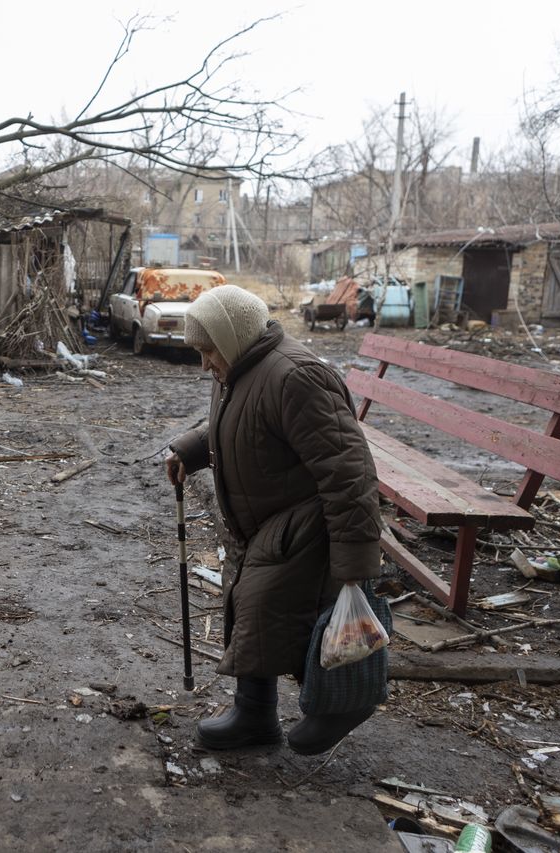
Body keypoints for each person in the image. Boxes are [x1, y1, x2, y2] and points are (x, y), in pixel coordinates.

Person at [165, 285, 383, 755]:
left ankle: (340, 703)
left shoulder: (296, 377)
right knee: (252, 607)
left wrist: (353, 564)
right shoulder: (240, 366)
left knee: (300, 613)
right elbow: (240, 425)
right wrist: (191, 448)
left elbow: (350, 473)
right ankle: (255, 714)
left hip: (306, 525)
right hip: (264, 520)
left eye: (207, 351)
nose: (204, 364)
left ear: (230, 335)